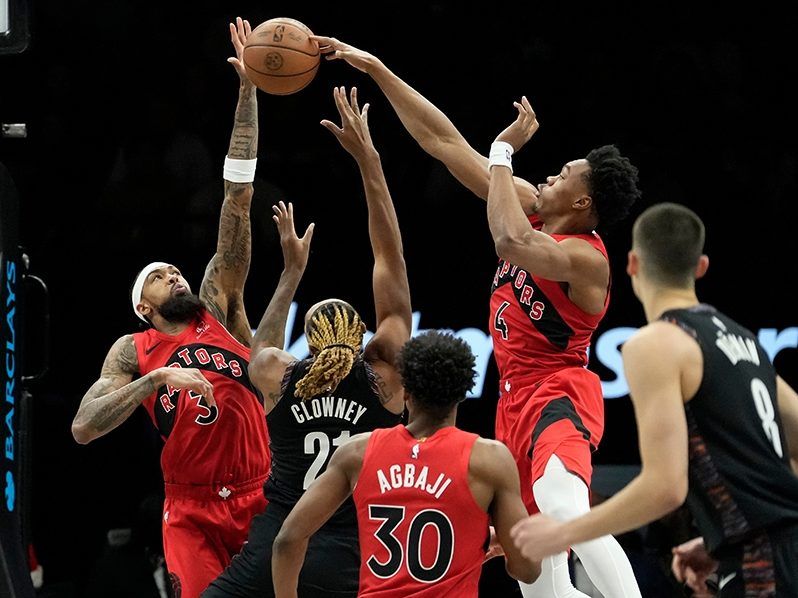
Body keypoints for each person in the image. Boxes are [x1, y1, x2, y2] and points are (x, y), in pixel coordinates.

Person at [307, 35, 644, 598]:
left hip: (559, 392)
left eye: (563, 174)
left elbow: (509, 242)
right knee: (538, 576)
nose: (551, 176)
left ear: (582, 204)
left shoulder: (584, 259)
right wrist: (378, 68)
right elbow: (442, 141)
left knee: (564, 509)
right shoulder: (532, 207)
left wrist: (503, 151)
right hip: (513, 401)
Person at [71, 18, 270, 598]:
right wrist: (155, 378)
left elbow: (237, 195)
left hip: (260, 492)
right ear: (143, 308)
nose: (173, 273)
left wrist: (248, 91)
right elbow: (84, 427)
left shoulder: (218, 303)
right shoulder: (132, 352)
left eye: (173, 269)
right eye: (158, 277)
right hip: (191, 510)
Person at [511, 202, 798, 597]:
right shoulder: (747, 342)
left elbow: (665, 487)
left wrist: (564, 531)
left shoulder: (655, 344)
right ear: (701, 267)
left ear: (631, 264)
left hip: (760, 567)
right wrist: (736, 533)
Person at [201, 85, 410, 598]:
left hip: (279, 537)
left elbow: (260, 352)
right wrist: (369, 162)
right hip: (355, 547)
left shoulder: (282, 374)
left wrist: (292, 272)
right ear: (360, 336)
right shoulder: (385, 379)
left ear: (309, 342)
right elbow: (389, 260)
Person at [272, 330, 541, 598]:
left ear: (406, 391)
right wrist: (481, 543)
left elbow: (287, 540)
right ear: (462, 393)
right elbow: (527, 570)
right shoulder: (489, 459)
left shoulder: (356, 452)